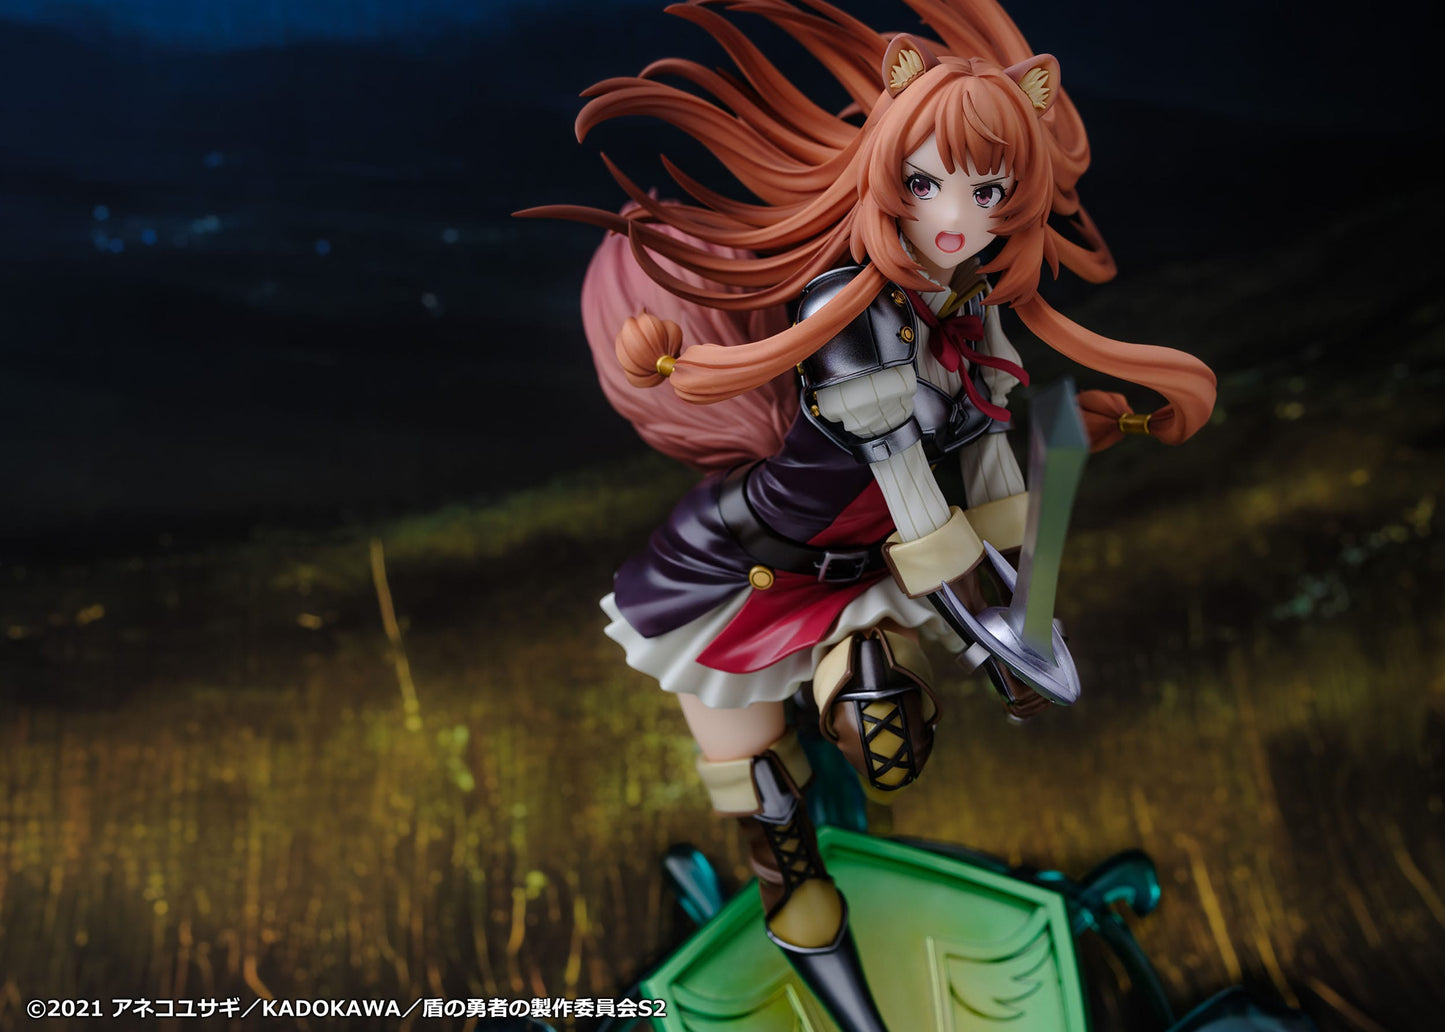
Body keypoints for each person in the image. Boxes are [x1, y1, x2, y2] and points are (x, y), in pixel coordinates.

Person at [519, 2, 1216, 1028]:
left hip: (869, 565)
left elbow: (987, 477)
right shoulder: (841, 314)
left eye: (987, 190)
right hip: (738, 575)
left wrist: (1027, 623)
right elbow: (914, 497)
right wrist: (991, 646)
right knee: (774, 819)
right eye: (926, 182)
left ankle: (862, 743)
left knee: (881, 714)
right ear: (888, 168)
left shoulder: (969, 310)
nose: (955, 216)